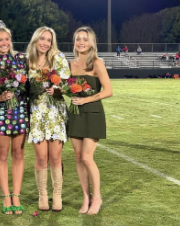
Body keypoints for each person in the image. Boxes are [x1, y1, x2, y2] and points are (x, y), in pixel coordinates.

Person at [0, 19, 29, 215]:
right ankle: (6, 196)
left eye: (7, 39)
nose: (4, 43)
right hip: (1, 111)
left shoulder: (20, 59)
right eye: (0, 40)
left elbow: (25, 85)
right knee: (2, 155)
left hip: (19, 110)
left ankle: (16, 195)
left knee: (18, 154)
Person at [67, 26, 113, 215]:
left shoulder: (97, 63)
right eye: (78, 39)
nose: (81, 42)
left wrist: (86, 99)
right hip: (75, 113)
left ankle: (97, 197)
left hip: (93, 113)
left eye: (85, 39)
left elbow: (108, 91)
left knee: (87, 157)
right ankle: (86, 197)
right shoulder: (70, 64)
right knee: (78, 158)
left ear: (91, 42)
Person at [26, 26, 70, 212]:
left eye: (48, 40)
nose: (45, 43)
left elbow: (68, 83)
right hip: (37, 113)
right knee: (41, 158)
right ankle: (43, 195)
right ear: (36, 39)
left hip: (55, 112)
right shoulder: (27, 61)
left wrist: (58, 89)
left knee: (55, 157)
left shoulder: (58, 58)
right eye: (42, 39)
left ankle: (57, 195)